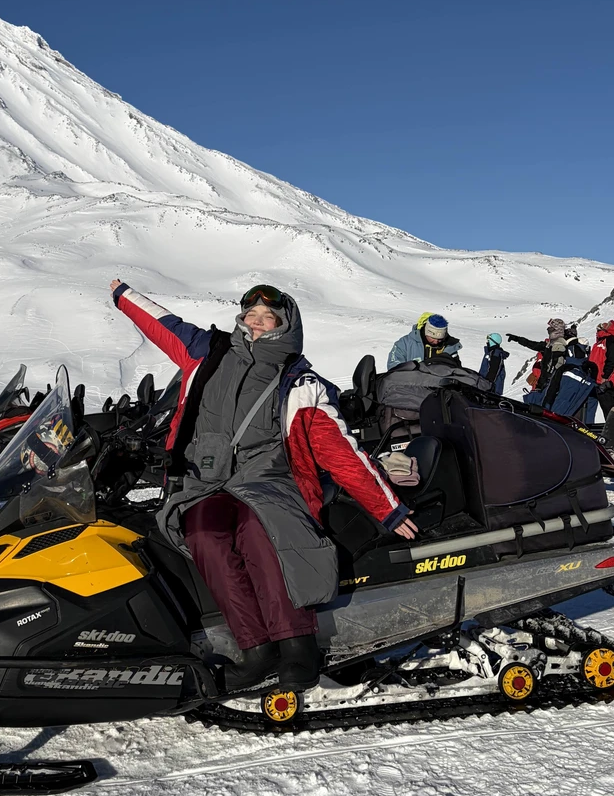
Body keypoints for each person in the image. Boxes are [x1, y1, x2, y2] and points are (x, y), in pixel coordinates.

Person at [110, 279, 417, 696]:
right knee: (203, 532)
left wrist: (387, 508)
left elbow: (339, 451)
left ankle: (298, 645)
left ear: (284, 326)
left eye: (267, 317)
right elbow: (164, 325)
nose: (256, 323)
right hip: (207, 483)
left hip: (272, 481)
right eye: (250, 315)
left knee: (260, 530)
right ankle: (255, 649)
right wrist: (123, 296)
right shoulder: (208, 352)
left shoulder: (300, 383)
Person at [507, 319, 589, 405]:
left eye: (551, 328)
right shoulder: (549, 344)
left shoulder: (561, 346)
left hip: (550, 384)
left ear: (556, 330)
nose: (548, 330)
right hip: (544, 382)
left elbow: (558, 365)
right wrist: (517, 339)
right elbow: (532, 344)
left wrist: (549, 382)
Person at [387, 313, 463, 369]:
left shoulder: (449, 347)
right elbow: (393, 366)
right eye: (433, 338)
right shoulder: (405, 344)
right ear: (426, 333)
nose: (436, 342)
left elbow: (456, 369)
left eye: (440, 339)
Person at [589, 321, 614, 422]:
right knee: (605, 404)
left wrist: (605, 376)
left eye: (607, 325)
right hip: (598, 378)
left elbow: (613, 360)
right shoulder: (603, 340)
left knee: (608, 406)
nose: (602, 325)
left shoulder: (610, 340)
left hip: (605, 380)